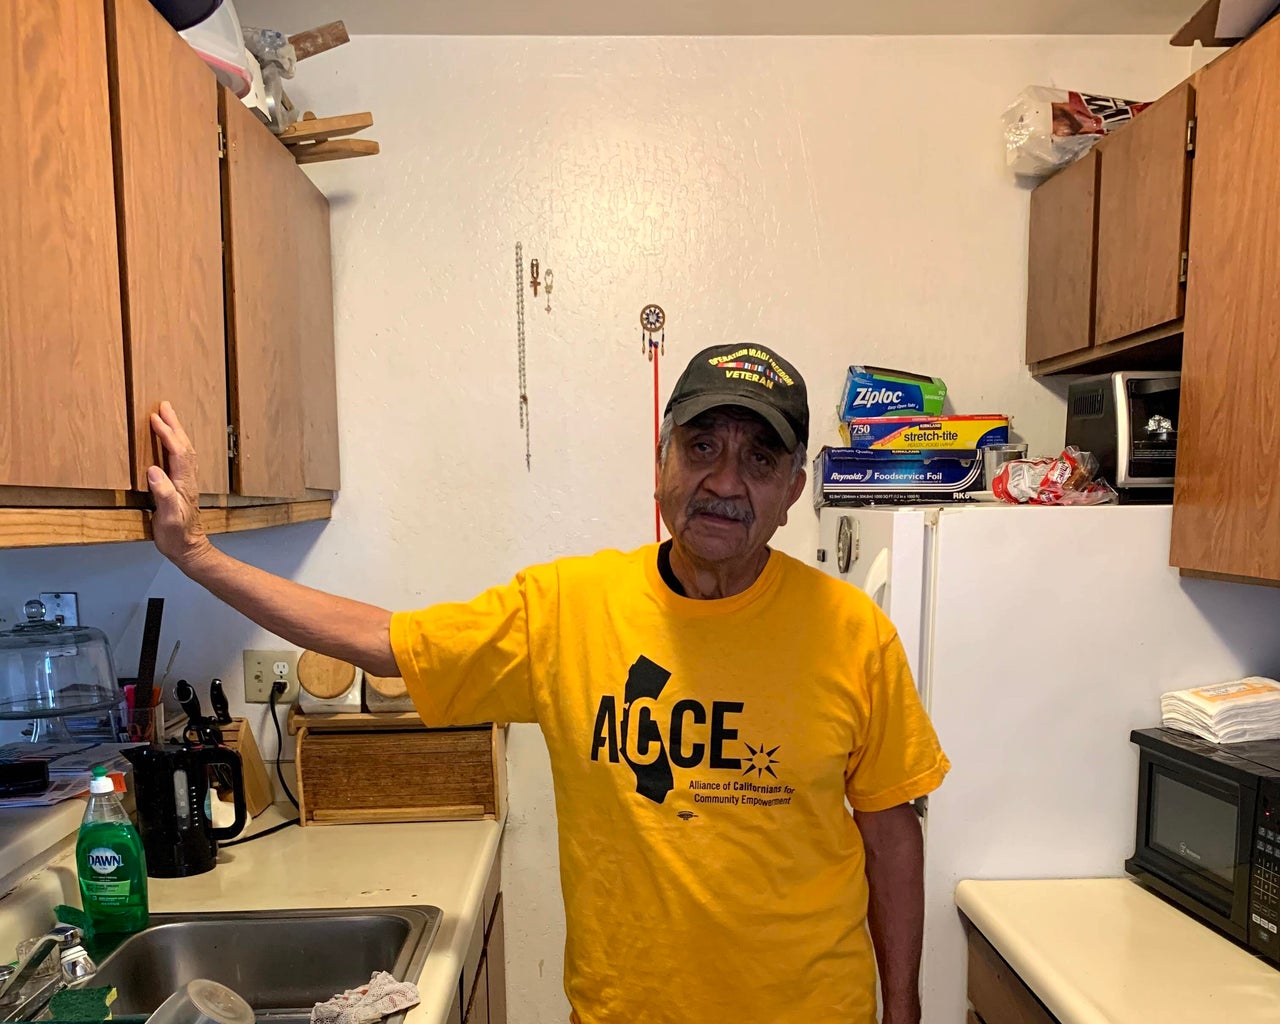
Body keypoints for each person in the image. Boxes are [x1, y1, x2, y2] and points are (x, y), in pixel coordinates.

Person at [147, 342, 949, 1024]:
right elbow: (386, 643)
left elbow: (890, 834)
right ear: (662, 459)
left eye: (759, 459)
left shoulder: (853, 634)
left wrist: (905, 1011)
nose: (726, 482)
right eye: (703, 448)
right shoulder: (568, 609)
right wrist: (198, 556)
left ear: (791, 493)